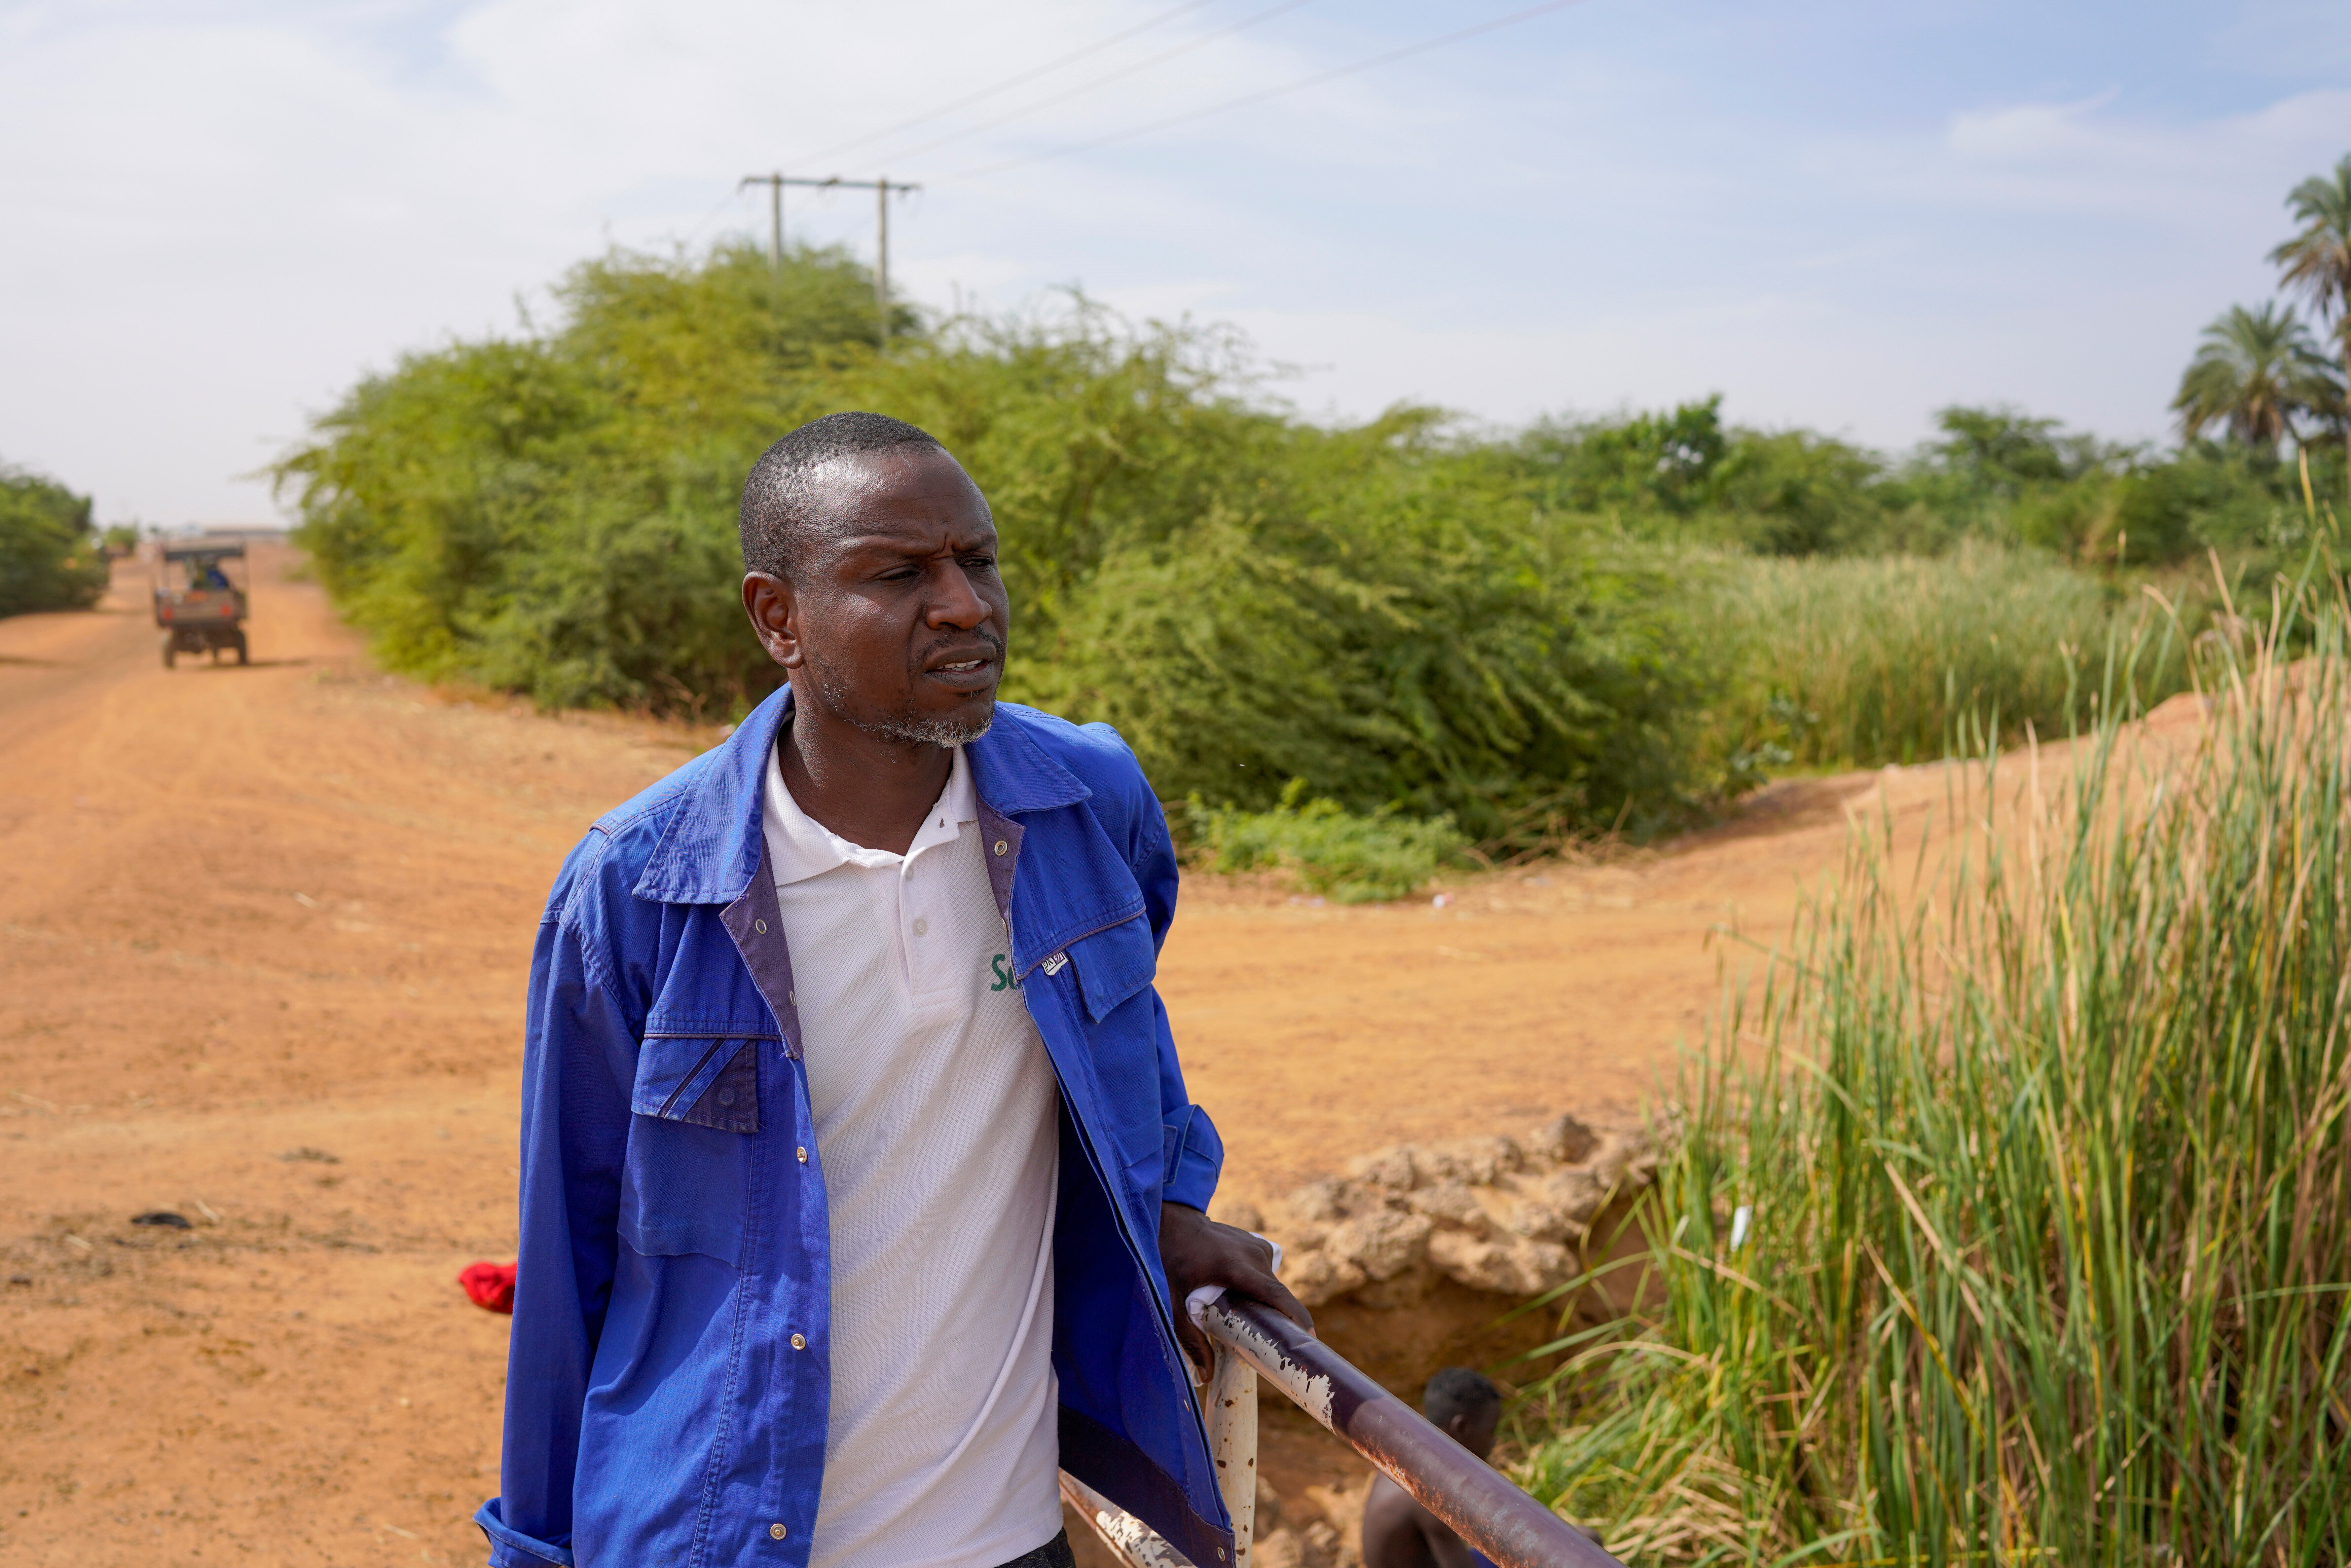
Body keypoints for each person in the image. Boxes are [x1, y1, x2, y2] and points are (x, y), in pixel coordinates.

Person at [475, 412, 1311, 1568]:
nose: (965, 604)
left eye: (977, 560)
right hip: (726, 1541)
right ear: (778, 616)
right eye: (898, 574)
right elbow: (566, 1264)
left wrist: (1168, 1196)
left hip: (1008, 1540)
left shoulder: (1084, 804)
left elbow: (1126, 1027)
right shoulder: (637, 890)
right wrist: (532, 1550)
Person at [1361, 1369, 1505, 1568]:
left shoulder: (1406, 1454)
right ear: (1462, 1428)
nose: (1493, 1443)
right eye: (1490, 1432)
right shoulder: (1430, 1492)